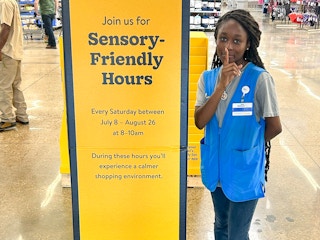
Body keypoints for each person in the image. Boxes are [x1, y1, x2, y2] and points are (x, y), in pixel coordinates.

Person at [194, 9, 282, 240]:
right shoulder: (208, 78)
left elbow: (275, 126)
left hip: (243, 169)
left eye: (236, 41)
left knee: (237, 233)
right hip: (215, 169)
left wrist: (248, 146)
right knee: (220, 224)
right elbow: (200, 121)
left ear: (248, 44)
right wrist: (221, 85)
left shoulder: (259, 79)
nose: (228, 47)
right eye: (223, 38)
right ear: (216, 39)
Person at [0, 0, 29, 132]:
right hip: (16, 50)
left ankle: (7, 119)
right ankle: (22, 115)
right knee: (15, 85)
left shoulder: (4, 3)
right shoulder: (12, 1)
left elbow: (5, 27)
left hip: (7, 51)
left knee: (4, 86)